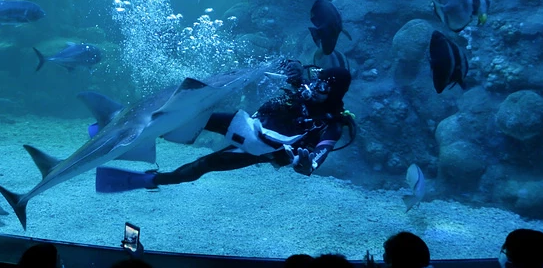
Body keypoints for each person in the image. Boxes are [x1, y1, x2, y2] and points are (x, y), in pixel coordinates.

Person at [95, 60, 356, 191]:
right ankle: (122, 132)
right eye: (316, 79)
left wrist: (306, 164)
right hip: (249, 124)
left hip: (261, 148)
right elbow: (286, 71)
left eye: (322, 85)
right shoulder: (305, 89)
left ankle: (147, 180)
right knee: (192, 115)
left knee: (204, 165)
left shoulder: (331, 123)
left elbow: (318, 155)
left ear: (333, 93)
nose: (313, 87)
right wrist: (289, 68)